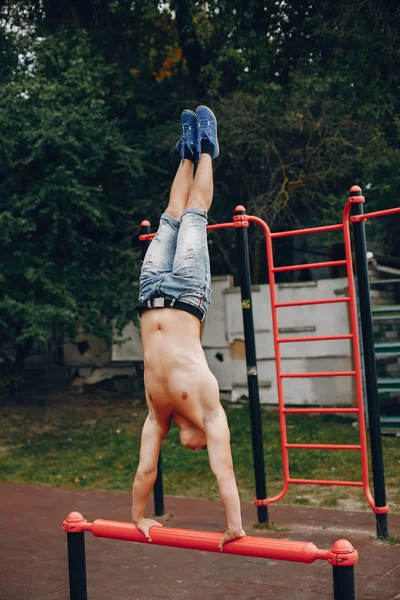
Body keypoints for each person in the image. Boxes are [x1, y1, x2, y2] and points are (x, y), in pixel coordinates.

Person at [132, 106, 245, 551]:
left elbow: (146, 469)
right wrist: (234, 525)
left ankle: (185, 152)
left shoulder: (157, 416)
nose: (193, 449)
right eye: (200, 449)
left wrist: (138, 517)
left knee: (170, 215)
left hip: (149, 292)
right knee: (196, 213)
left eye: (191, 450)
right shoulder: (212, 412)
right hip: (186, 294)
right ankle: (208, 150)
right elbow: (226, 471)